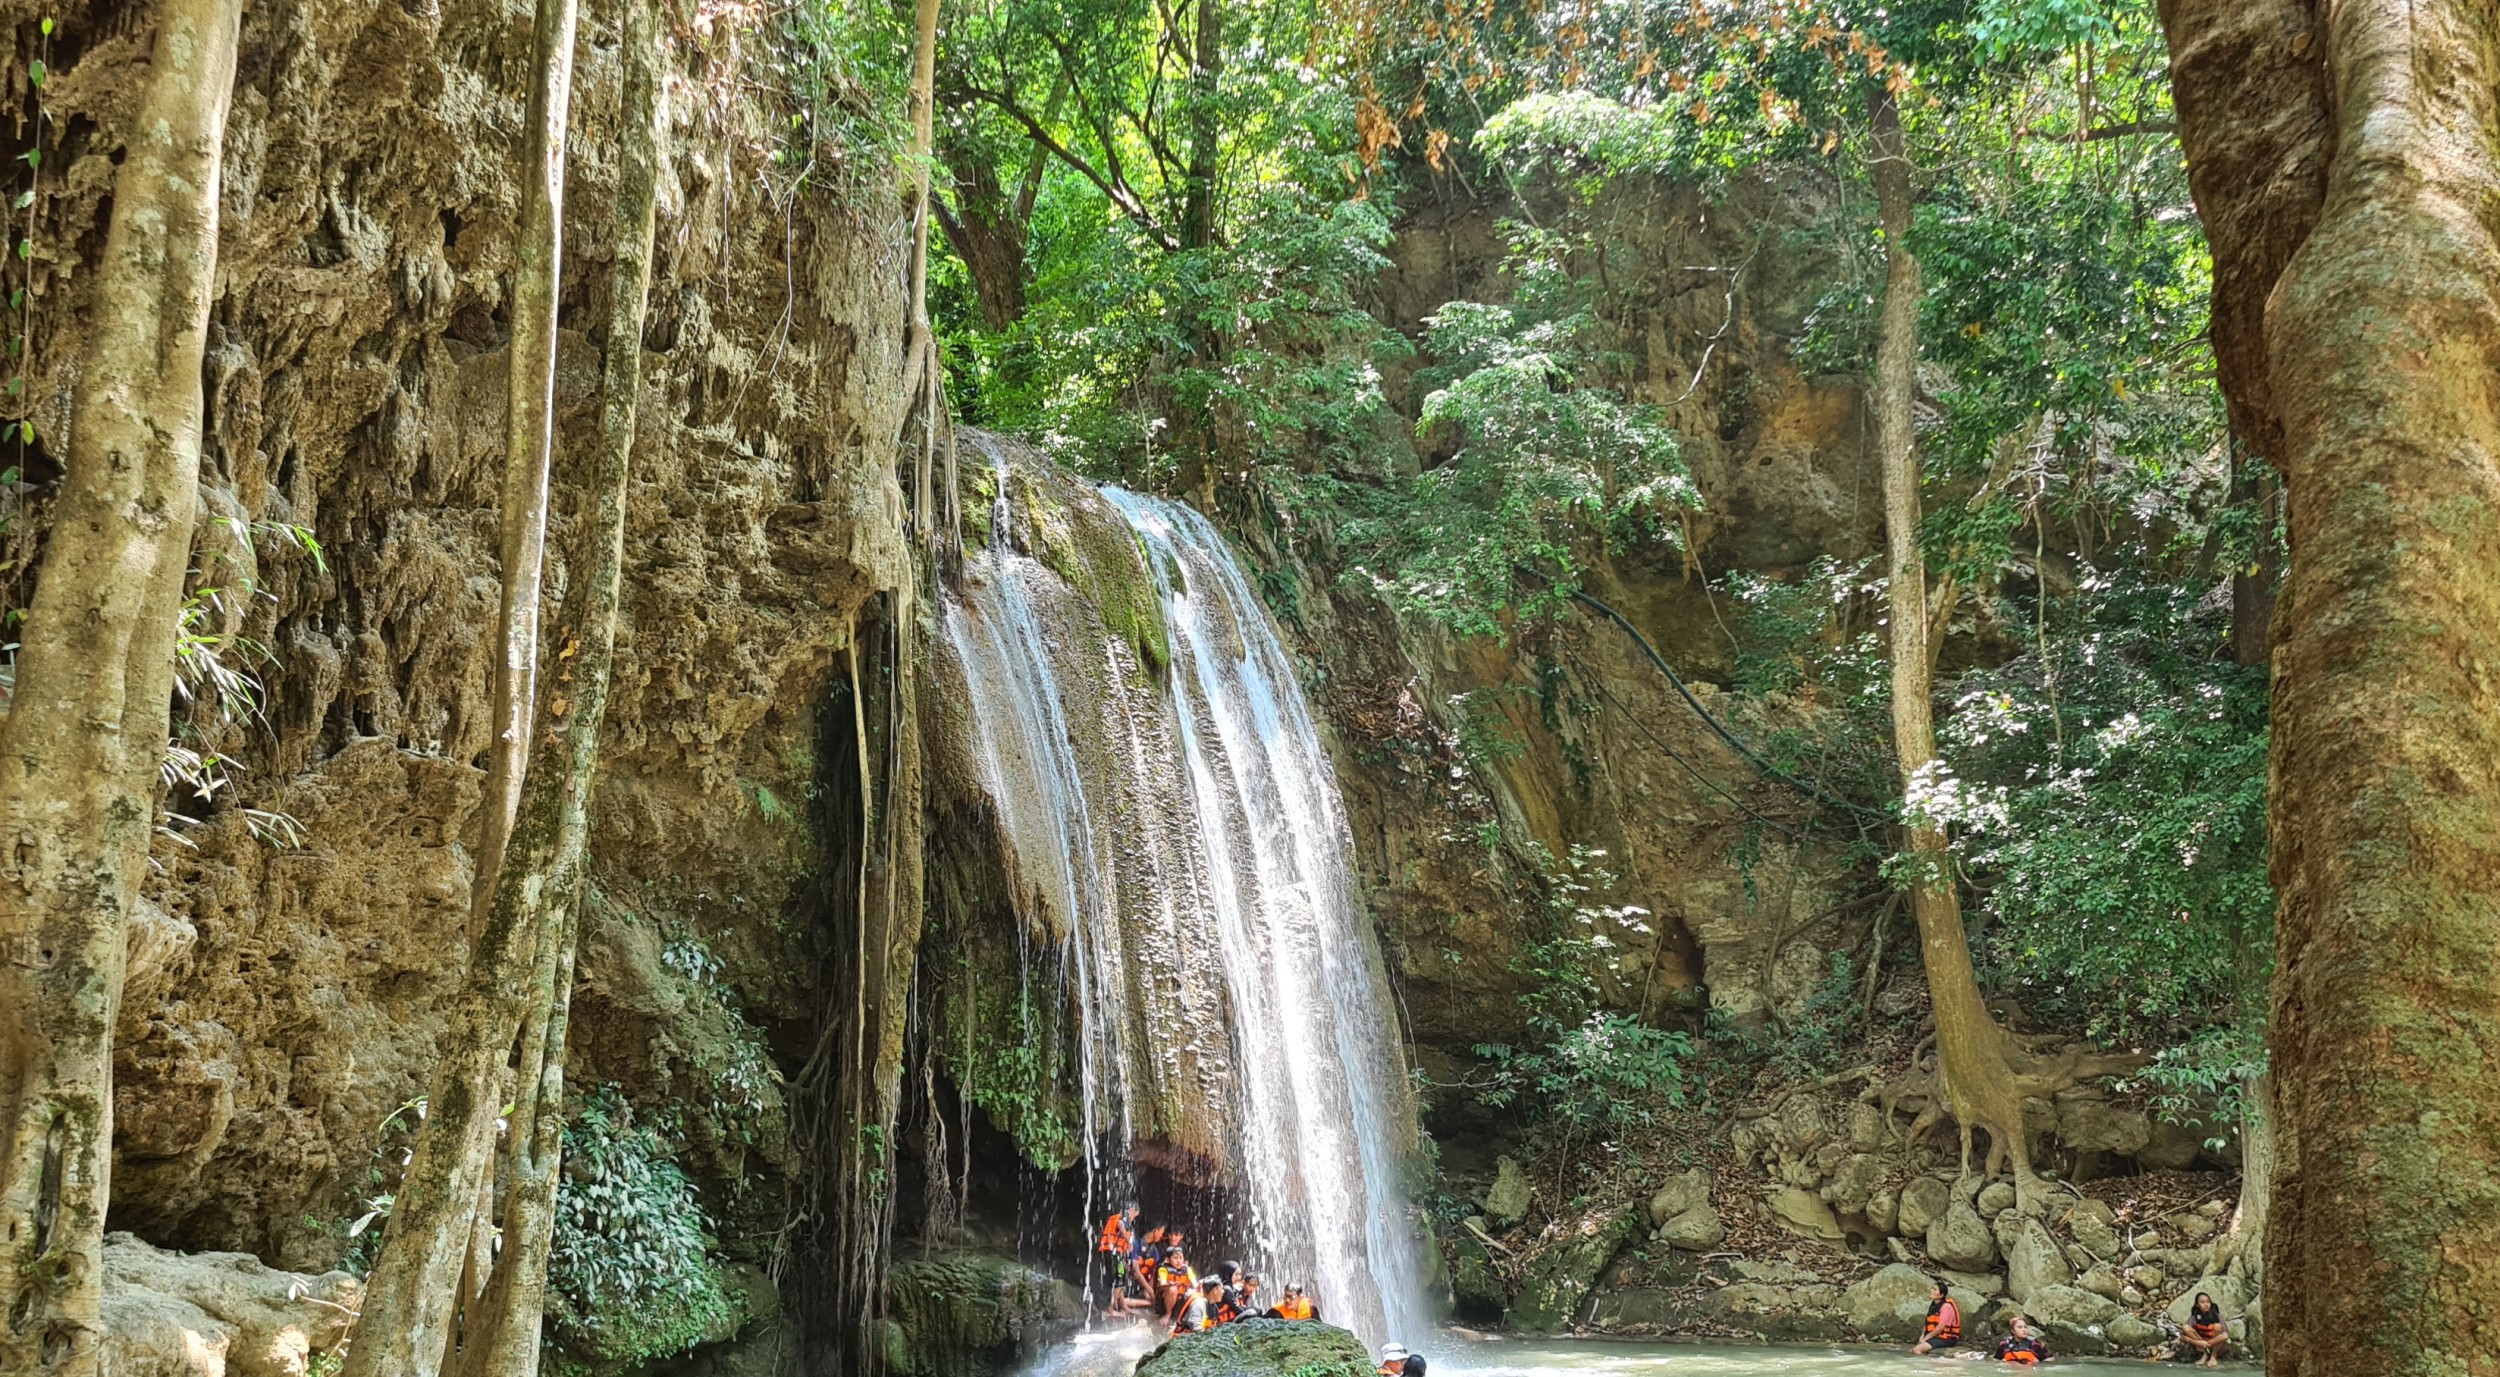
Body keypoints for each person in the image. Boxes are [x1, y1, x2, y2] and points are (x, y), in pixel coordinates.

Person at [1096, 1204, 1140, 1301]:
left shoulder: (1119, 1218)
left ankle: (1114, 1305)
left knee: (1119, 1278)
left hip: (1113, 1252)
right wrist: (1129, 1241)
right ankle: (1110, 1307)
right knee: (1119, 1279)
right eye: (1134, 1216)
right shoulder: (1123, 1217)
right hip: (1112, 1252)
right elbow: (1120, 1225)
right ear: (1132, 1210)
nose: (1133, 1219)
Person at [2180, 1292, 2229, 1367]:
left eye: (2208, 1302)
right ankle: (2205, 1353)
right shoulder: (2195, 1317)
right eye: (2202, 1302)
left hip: (2215, 1345)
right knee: (2185, 1327)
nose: (2206, 1304)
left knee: (2217, 1327)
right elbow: (2183, 1337)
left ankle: (2213, 1356)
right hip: (2201, 1345)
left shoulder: (2217, 1316)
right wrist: (2199, 1343)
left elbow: (2225, 1336)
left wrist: (2208, 1343)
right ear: (2197, 1305)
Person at [1914, 1279, 1963, 1355]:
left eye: (1935, 1290)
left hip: (1947, 1338)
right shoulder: (1934, 1305)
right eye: (1932, 1288)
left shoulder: (1946, 1307)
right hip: (1936, 1337)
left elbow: (1940, 1328)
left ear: (1941, 1295)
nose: (1931, 1291)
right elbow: (1927, 1324)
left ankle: (1923, 1366)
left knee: (1917, 1350)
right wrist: (1922, 1336)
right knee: (1912, 1351)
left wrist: (1925, 1339)